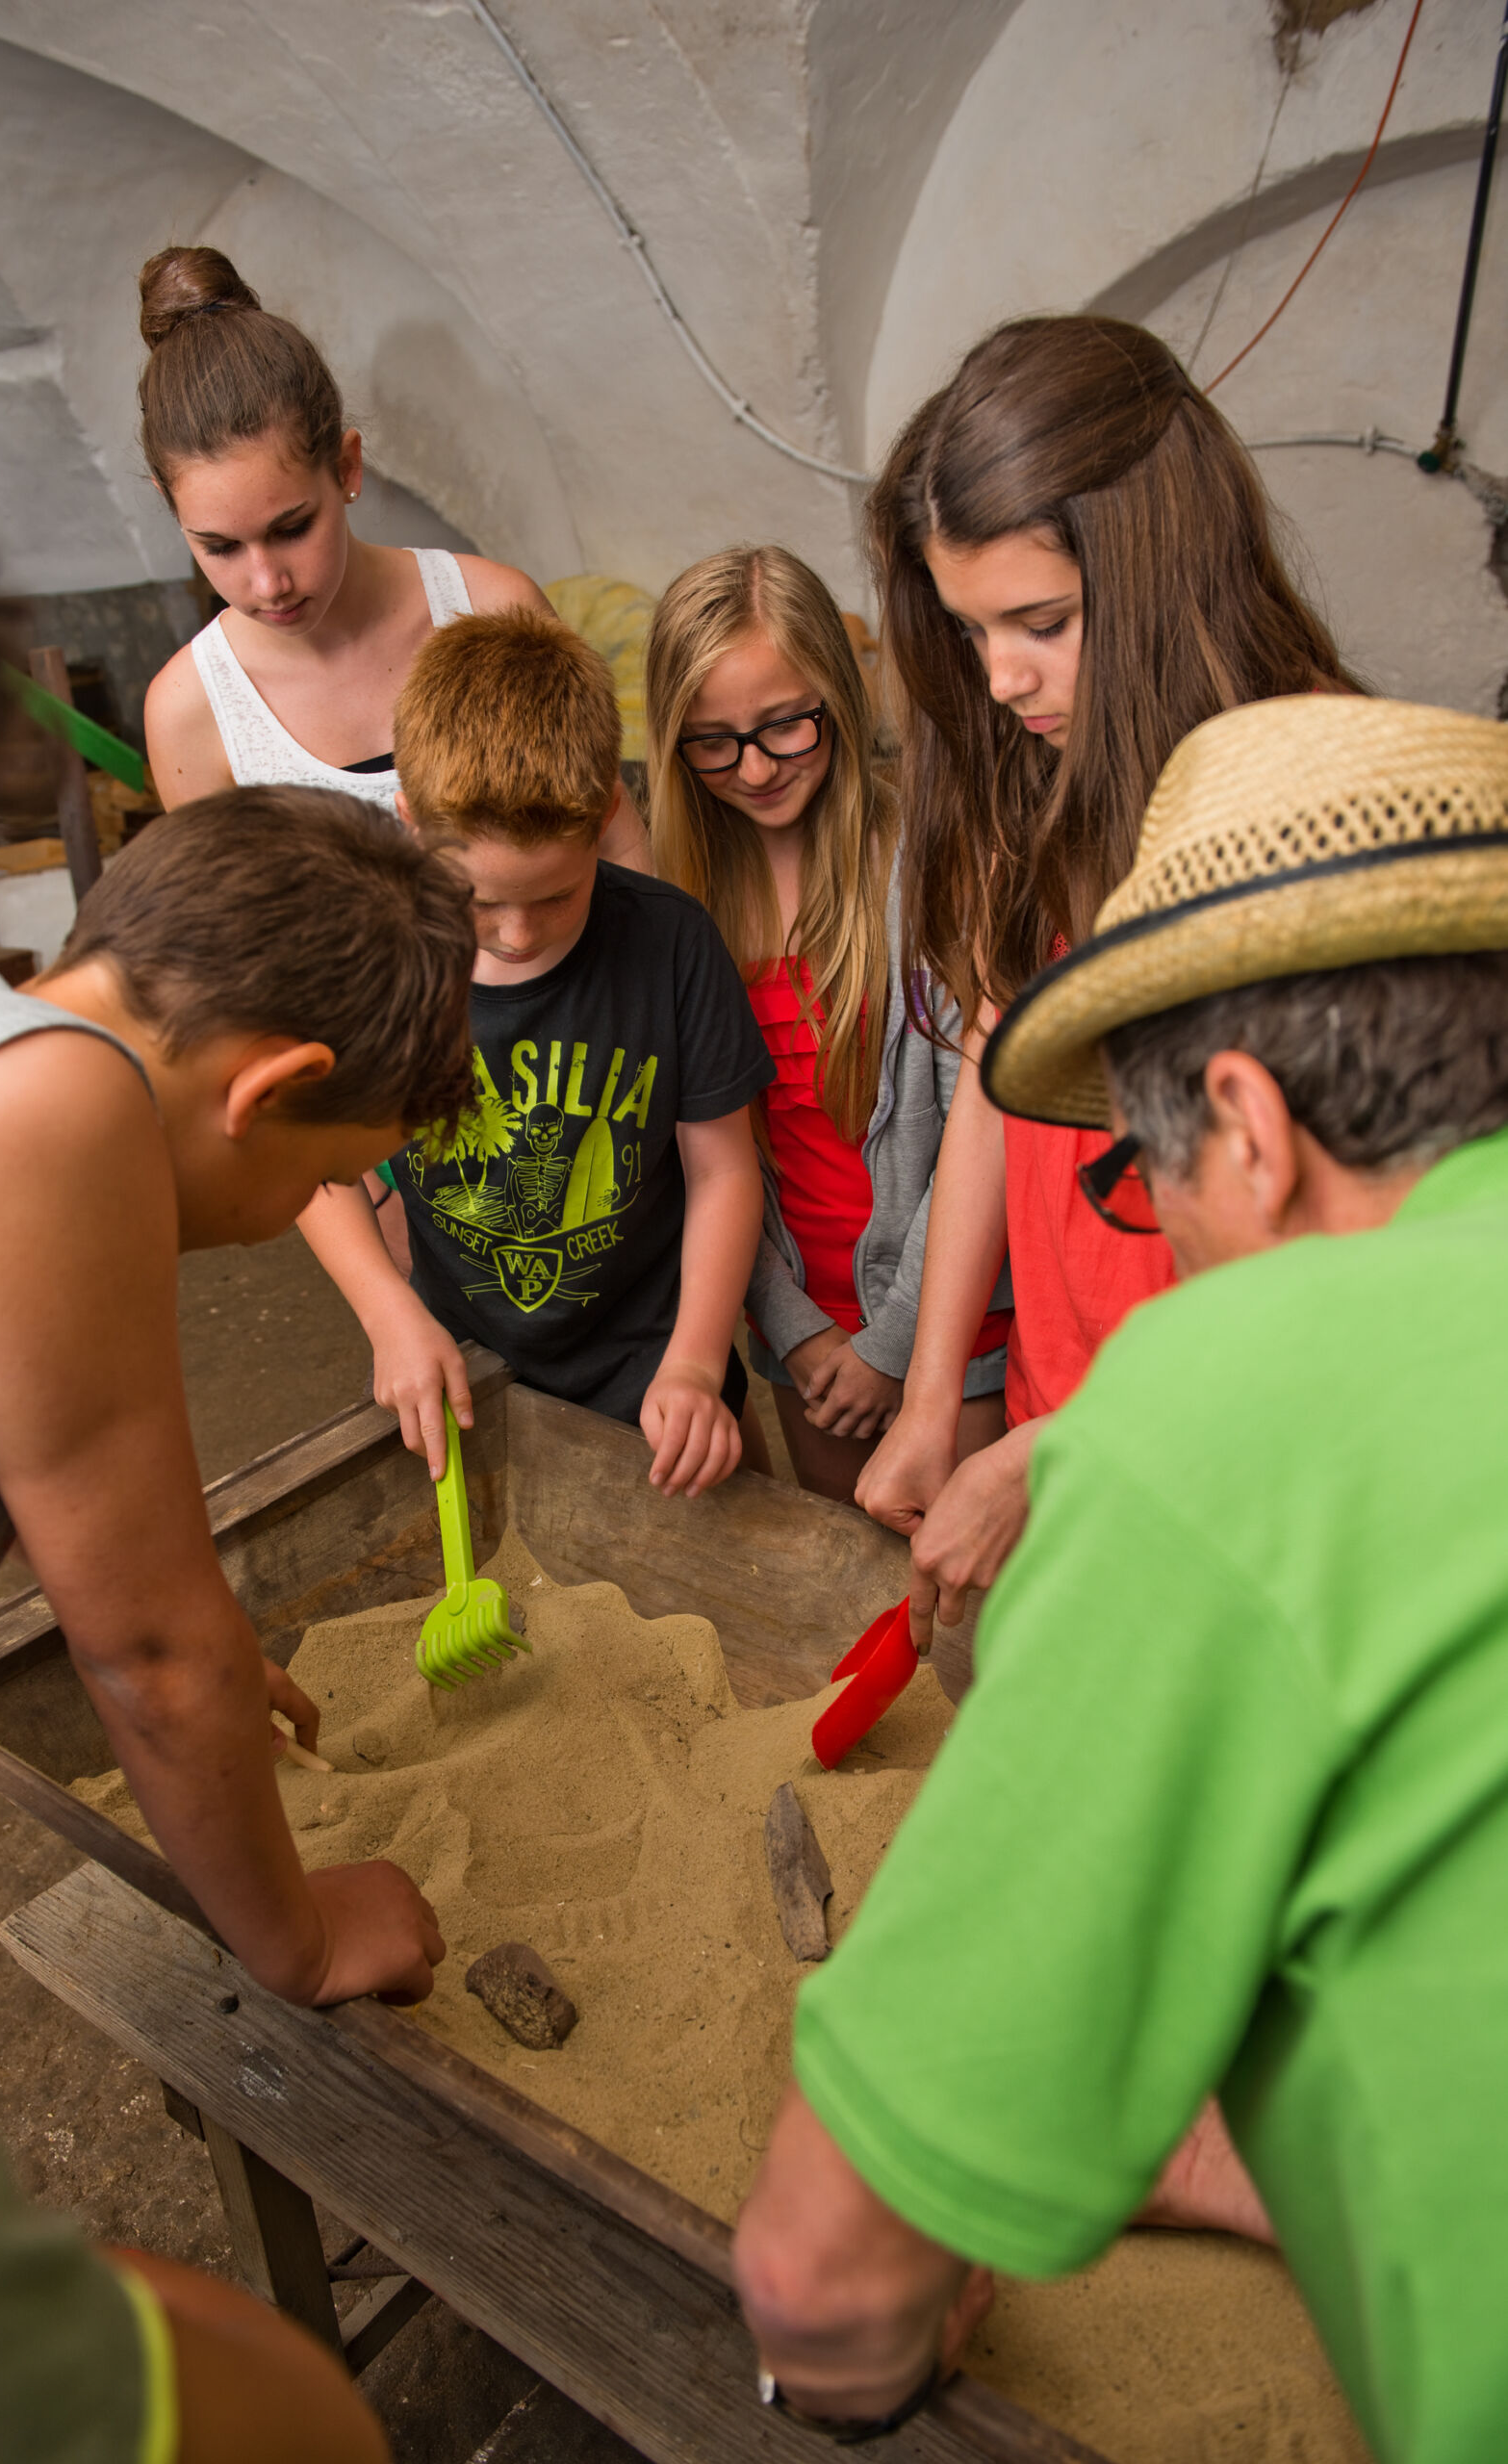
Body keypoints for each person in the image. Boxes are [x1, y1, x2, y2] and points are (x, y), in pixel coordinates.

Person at [734, 694, 1508, 2464]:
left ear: (1243, 1123)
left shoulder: (1255, 1389)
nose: (1162, 1229)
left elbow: (823, 2273)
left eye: (1143, 1172)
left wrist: (860, 2366)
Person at [0, 511, 456, 2455]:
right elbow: (141, 1646)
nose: (290, 1219)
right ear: (270, 1088)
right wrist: (293, 1931)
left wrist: (200, 1613)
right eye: (311, 1179)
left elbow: (93, 1494)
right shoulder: (55, 1111)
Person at [854, 316, 1355, 1625]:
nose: (1001, 677)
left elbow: (1332, 1267)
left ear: (1158, 565)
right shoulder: (1033, 763)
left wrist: (1076, 1446)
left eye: (1043, 621)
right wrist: (931, 1405)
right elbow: (995, 1077)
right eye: (969, 631)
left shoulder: (1312, 799)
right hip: (1056, 1385)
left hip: (1237, 1440)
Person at [299, 607, 772, 1499]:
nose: (516, 934)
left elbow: (722, 1173)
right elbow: (317, 1172)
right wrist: (389, 1316)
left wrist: (702, 1365)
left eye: (555, 896)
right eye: (476, 901)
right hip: (469, 1367)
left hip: (654, 1363)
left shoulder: (672, 944)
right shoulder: (369, 962)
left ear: (603, 818)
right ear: (408, 821)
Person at [646, 544, 1010, 1502]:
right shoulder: (679, 904)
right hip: (799, 1334)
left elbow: (980, 1132)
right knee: (841, 1586)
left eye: (784, 727)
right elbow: (710, 1161)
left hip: (951, 1329)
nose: (755, 768)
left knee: (969, 1606)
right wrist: (795, 1331)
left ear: (840, 701)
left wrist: (892, 1345)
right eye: (713, 741)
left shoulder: (931, 870)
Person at [137, 244, 650, 871]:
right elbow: (236, 952)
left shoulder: (493, 609)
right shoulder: (190, 710)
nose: (268, 582)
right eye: (219, 547)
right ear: (169, 505)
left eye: (293, 528)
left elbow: (609, 837)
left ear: (347, 467)